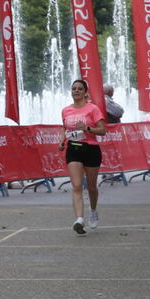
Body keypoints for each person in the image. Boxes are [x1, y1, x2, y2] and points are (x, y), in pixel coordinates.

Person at [60, 78, 107, 235]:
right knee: (77, 185)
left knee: (92, 187)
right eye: (74, 88)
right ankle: (79, 219)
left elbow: (102, 130)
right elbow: (63, 127)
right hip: (73, 149)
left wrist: (87, 128)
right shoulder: (66, 110)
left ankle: (93, 210)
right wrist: (62, 141)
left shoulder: (92, 109)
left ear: (85, 92)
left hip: (91, 149)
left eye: (80, 88)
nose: (76, 91)